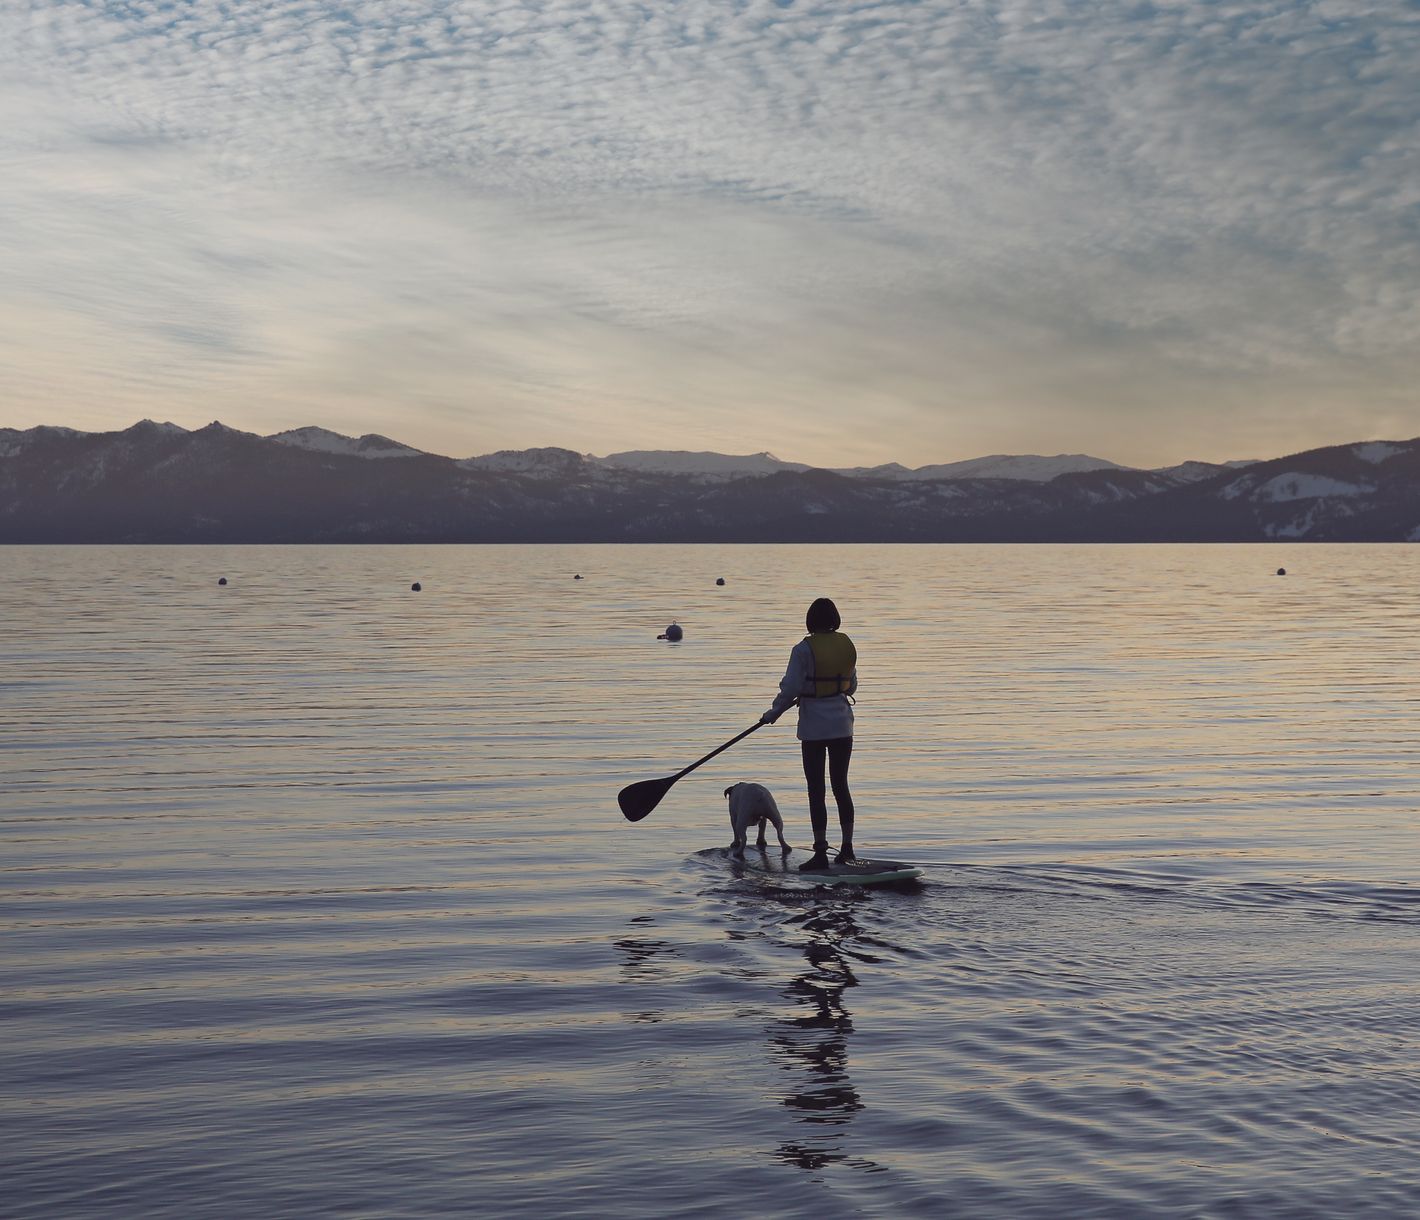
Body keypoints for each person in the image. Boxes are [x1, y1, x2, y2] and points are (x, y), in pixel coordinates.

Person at [761, 597, 858, 870]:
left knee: (817, 790)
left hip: (814, 729)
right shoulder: (846, 645)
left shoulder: (802, 649)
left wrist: (773, 714)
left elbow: (790, 688)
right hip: (842, 726)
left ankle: (820, 853)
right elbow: (851, 687)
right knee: (841, 786)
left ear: (810, 621)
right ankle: (847, 849)